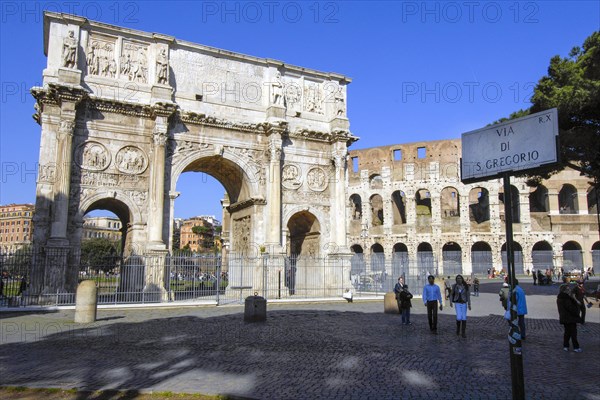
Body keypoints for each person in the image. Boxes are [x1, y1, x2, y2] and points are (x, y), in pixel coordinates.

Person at [557, 283, 583, 352]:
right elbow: (571, 308)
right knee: (573, 332)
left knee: (567, 332)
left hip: (565, 317)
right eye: (568, 289)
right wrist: (576, 304)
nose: (569, 290)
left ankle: (566, 346)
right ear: (564, 290)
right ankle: (576, 347)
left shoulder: (560, 297)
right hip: (570, 318)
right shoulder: (566, 298)